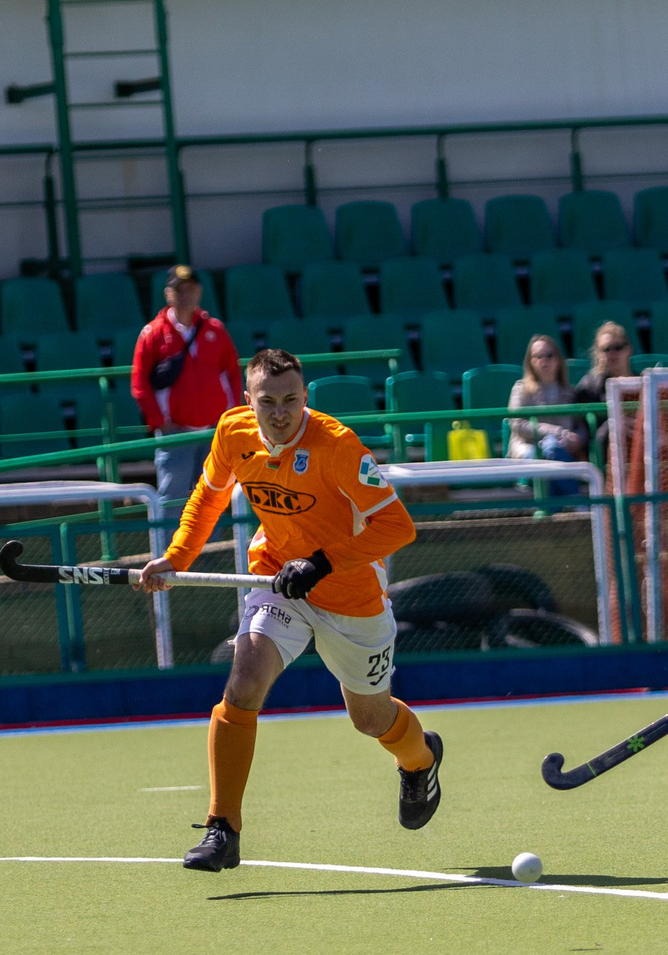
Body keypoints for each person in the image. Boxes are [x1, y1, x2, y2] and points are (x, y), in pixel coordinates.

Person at [137, 349, 438, 871]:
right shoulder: (233, 433)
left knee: (370, 719)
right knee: (244, 681)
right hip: (278, 578)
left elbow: (398, 527)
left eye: (291, 400)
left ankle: (421, 760)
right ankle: (222, 828)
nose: (280, 413)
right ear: (247, 400)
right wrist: (177, 557)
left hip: (350, 594)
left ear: (306, 397)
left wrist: (321, 563)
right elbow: (208, 498)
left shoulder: (337, 445)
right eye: (268, 402)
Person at [129, 264, 245, 514]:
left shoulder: (215, 329)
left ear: (199, 292)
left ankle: (211, 542)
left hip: (212, 430)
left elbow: (232, 374)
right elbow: (140, 383)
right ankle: (169, 541)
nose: (185, 294)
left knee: (212, 497)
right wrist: (159, 421)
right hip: (175, 431)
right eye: (179, 289)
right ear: (168, 294)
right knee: (173, 496)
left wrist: (229, 416)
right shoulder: (152, 333)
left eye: (190, 288)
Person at [508, 335, 589, 460]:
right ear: (530, 362)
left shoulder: (570, 393)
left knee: (554, 449)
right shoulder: (521, 389)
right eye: (538, 356)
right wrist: (556, 432)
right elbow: (518, 424)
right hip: (527, 448)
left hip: (563, 448)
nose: (544, 360)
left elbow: (581, 426)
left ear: (558, 359)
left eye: (549, 355)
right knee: (550, 449)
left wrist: (577, 440)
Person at [580, 321, 636, 469]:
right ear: (598, 354)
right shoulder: (588, 387)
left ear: (629, 349)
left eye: (618, 347)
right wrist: (616, 422)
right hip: (607, 458)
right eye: (606, 349)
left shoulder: (644, 382)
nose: (612, 353)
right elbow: (587, 434)